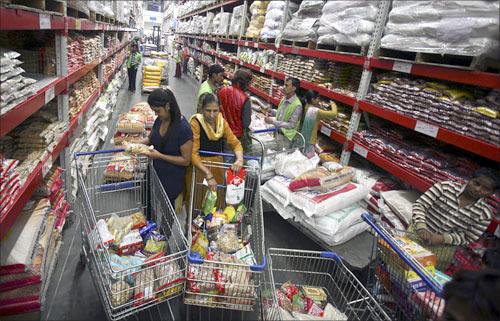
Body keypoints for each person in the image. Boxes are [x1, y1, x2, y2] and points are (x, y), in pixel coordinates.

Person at [410, 168, 498, 268]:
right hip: (415, 236)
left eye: (486, 189)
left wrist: (443, 238)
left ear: (491, 193)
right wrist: (421, 226)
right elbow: (420, 205)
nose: (478, 189)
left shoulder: (485, 214)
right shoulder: (445, 187)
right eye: (476, 183)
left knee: (424, 277)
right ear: (470, 179)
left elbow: (468, 237)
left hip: (441, 250)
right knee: (399, 266)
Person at [133, 88, 193, 215]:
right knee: (147, 204)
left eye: (158, 111)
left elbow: (186, 160)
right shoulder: (159, 120)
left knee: (167, 214)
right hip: (154, 173)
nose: (156, 114)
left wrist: (159, 156)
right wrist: (135, 145)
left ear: (167, 106)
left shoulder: (183, 129)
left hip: (171, 179)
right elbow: (151, 138)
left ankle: (163, 235)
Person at [187, 93, 243, 209]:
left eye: (215, 110)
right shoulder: (196, 122)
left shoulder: (221, 122)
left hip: (217, 167)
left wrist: (239, 160)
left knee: (216, 202)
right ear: (202, 109)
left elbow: (235, 143)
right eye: (208, 110)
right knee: (197, 202)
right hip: (199, 168)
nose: (212, 115)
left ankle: (213, 226)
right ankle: (192, 225)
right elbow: (193, 153)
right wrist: (208, 174)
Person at [218, 68, 253, 149]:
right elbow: (246, 123)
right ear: (245, 83)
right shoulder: (245, 99)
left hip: (221, 131)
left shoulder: (222, 91)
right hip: (236, 136)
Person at [300, 90, 337, 158]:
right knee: (308, 160)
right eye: (317, 98)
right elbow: (333, 114)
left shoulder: (306, 106)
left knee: (302, 156)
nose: (319, 100)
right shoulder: (316, 111)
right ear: (312, 99)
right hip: (310, 139)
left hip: (304, 137)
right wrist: (333, 104)